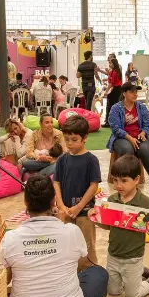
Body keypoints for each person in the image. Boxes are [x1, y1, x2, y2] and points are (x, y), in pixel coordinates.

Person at [0, 175, 108, 297]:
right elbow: (79, 260)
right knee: (98, 273)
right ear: (54, 201)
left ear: (26, 203)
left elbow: (4, 279)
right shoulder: (71, 231)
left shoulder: (10, 237)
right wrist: (62, 223)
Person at [101, 155, 149, 297]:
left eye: (124, 181)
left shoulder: (144, 203)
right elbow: (108, 226)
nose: (118, 185)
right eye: (115, 180)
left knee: (133, 295)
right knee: (113, 291)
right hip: (113, 255)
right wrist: (95, 218)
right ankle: (140, 272)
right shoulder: (112, 200)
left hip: (133, 257)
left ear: (137, 180)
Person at [53, 116, 101, 271]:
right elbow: (56, 182)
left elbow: (93, 186)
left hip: (85, 212)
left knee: (87, 245)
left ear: (85, 138)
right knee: (66, 244)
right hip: (65, 211)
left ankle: (90, 272)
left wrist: (79, 207)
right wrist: (61, 205)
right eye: (66, 139)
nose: (69, 144)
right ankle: (68, 272)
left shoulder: (91, 160)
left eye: (74, 139)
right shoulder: (61, 160)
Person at [107, 83, 149, 192]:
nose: (135, 94)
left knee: (145, 149)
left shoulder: (141, 107)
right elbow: (115, 128)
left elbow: (147, 124)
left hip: (139, 137)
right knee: (127, 149)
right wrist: (130, 138)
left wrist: (144, 132)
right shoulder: (116, 108)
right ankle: (125, 181)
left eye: (136, 92)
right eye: (131, 92)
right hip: (121, 137)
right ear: (124, 93)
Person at [103, 59, 123, 127]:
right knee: (116, 105)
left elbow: (111, 83)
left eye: (110, 63)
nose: (109, 64)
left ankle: (108, 122)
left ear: (114, 64)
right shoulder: (116, 71)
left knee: (109, 106)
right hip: (118, 89)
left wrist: (106, 92)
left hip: (114, 90)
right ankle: (116, 121)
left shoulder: (114, 72)